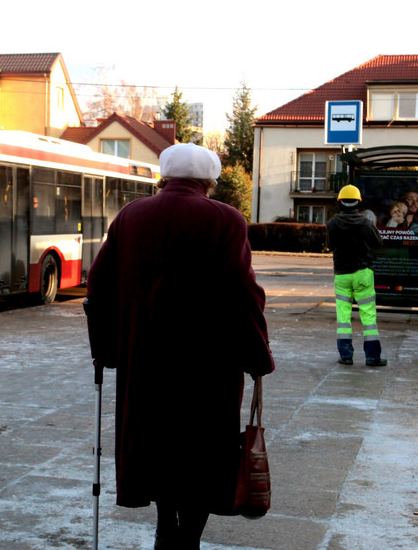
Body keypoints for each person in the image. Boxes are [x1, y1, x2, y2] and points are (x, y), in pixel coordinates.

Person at [85, 143, 275, 549]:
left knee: (156, 444)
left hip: (146, 361)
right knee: (201, 451)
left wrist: (106, 351)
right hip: (208, 365)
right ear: (209, 180)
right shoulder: (226, 218)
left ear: (164, 175)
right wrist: (257, 354)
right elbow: (244, 293)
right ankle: (187, 538)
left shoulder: (131, 216)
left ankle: (164, 529)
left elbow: (98, 286)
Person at [326, 185, 386, 367]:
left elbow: (330, 246)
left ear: (340, 202)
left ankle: (346, 356)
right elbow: (378, 244)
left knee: (343, 317)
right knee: (368, 317)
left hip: (342, 275)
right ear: (358, 202)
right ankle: (372, 357)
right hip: (363, 274)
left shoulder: (332, 224)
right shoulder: (366, 223)